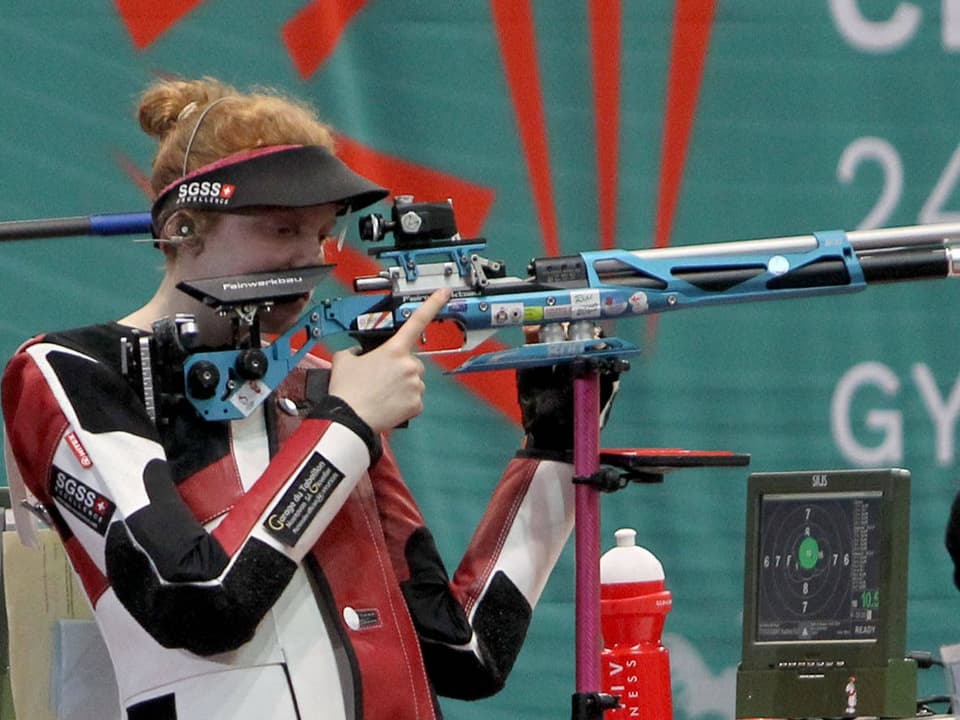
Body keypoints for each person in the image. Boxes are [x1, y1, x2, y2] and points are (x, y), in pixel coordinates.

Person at [0, 77, 610, 720]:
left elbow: (461, 653)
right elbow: (198, 601)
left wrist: (557, 449)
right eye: (281, 227)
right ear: (183, 228)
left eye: (322, 232)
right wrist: (346, 426)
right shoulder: (71, 370)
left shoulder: (316, 384)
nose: (310, 257)